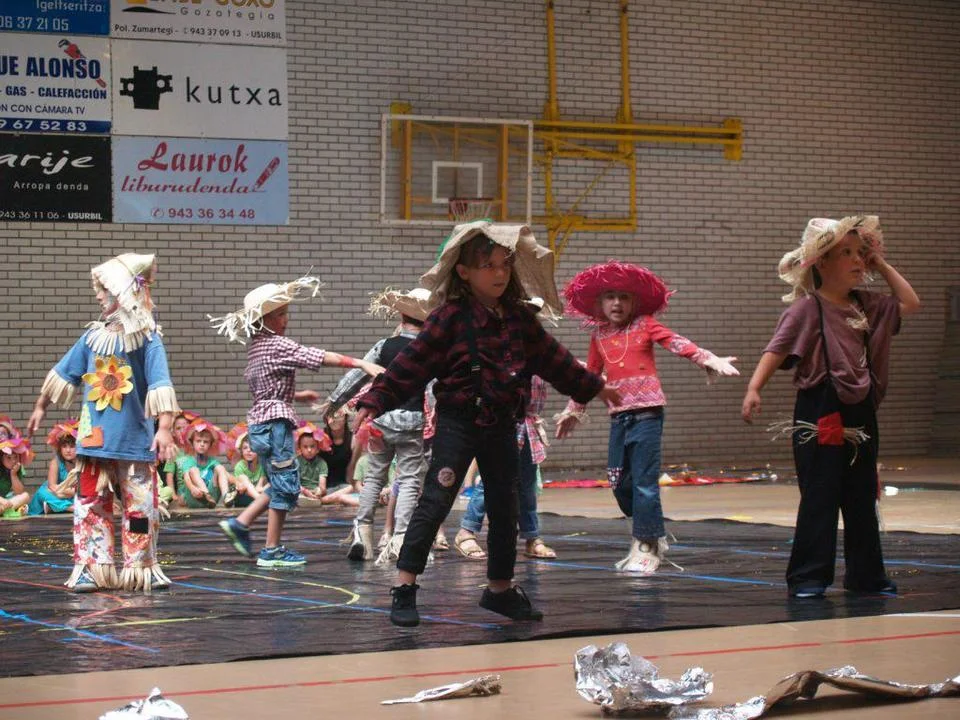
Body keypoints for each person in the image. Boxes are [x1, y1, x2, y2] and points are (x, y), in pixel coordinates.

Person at [354, 220, 620, 627]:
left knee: (504, 505)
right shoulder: (449, 318)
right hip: (458, 423)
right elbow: (412, 363)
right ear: (464, 272)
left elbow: (555, 359)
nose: (499, 273)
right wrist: (376, 399)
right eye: (489, 266)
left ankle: (499, 589)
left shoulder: (519, 319)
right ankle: (405, 586)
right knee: (436, 499)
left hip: (501, 425)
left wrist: (594, 387)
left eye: (504, 265)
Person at [741, 215, 920, 598]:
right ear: (822, 262)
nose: (857, 260)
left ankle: (866, 577)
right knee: (820, 496)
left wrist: (880, 262)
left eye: (860, 253)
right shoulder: (806, 309)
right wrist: (754, 388)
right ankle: (808, 577)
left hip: (861, 411)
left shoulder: (868, 305)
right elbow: (777, 349)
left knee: (861, 497)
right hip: (821, 410)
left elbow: (910, 302)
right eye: (846, 253)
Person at [556, 261, 739, 575]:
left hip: (647, 414)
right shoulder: (598, 336)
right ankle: (651, 529)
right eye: (610, 297)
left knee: (644, 483)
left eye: (624, 297)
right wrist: (574, 409)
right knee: (618, 482)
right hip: (619, 417)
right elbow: (591, 376)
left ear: (634, 303)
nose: (617, 303)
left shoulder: (644, 324)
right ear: (600, 304)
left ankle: (647, 544)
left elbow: (675, 341)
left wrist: (705, 357)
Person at [27, 252, 179, 593]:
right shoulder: (92, 338)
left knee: (140, 508)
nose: (97, 296)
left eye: (103, 290)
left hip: (134, 442)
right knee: (90, 507)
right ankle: (92, 568)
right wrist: (40, 407)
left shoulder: (147, 339)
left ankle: (141, 565)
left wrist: (165, 428)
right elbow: (63, 374)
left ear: (122, 293)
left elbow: (161, 385)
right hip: (93, 442)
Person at [211, 276, 383, 568]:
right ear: (263, 320)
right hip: (274, 425)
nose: (285, 319)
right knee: (286, 486)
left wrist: (296, 395)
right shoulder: (277, 345)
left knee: (279, 482)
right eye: (280, 314)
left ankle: (245, 526)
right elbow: (317, 356)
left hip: (261, 424)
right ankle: (268, 546)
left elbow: (265, 386)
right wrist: (360, 363)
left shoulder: (256, 347)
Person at [324, 287, 431, 562]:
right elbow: (433, 389)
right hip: (411, 422)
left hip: (380, 421)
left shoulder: (384, 346)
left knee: (373, 477)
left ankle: (363, 533)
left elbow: (358, 375)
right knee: (408, 480)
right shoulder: (429, 351)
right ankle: (401, 538)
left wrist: (334, 402)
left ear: (402, 315)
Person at [456, 374, 557, 560]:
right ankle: (467, 530)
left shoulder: (540, 359)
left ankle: (531, 536)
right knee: (491, 481)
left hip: (528, 427)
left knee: (527, 487)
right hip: (504, 424)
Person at [27, 419, 79, 515]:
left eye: (72, 446)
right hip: (53, 494)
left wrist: (67, 494)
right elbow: (52, 486)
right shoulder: (56, 462)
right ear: (60, 448)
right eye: (64, 446)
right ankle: (71, 508)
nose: (68, 450)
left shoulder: (83, 464)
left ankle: (54, 507)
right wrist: (68, 493)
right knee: (42, 492)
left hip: (64, 495)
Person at [178, 419, 231, 509]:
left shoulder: (213, 462)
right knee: (193, 470)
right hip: (195, 496)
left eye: (205, 442)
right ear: (192, 443)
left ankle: (226, 496)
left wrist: (238, 482)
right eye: (198, 441)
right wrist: (192, 488)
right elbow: (186, 478)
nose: (202, 444)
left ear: (210, 445)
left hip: (212, 500)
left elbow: (227, 475)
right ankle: (206, 495)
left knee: (220, 468)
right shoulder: (189, 461)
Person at [0, 435, 33, 519]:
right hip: (2, 501)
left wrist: (13, 474)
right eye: (9, 458)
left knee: (26, 496)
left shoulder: (17, 468)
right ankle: (4, 510)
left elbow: (19, 492)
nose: (13, 461)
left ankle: (3, 510)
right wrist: (2, 500)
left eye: (15, 457)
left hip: (5, 503)